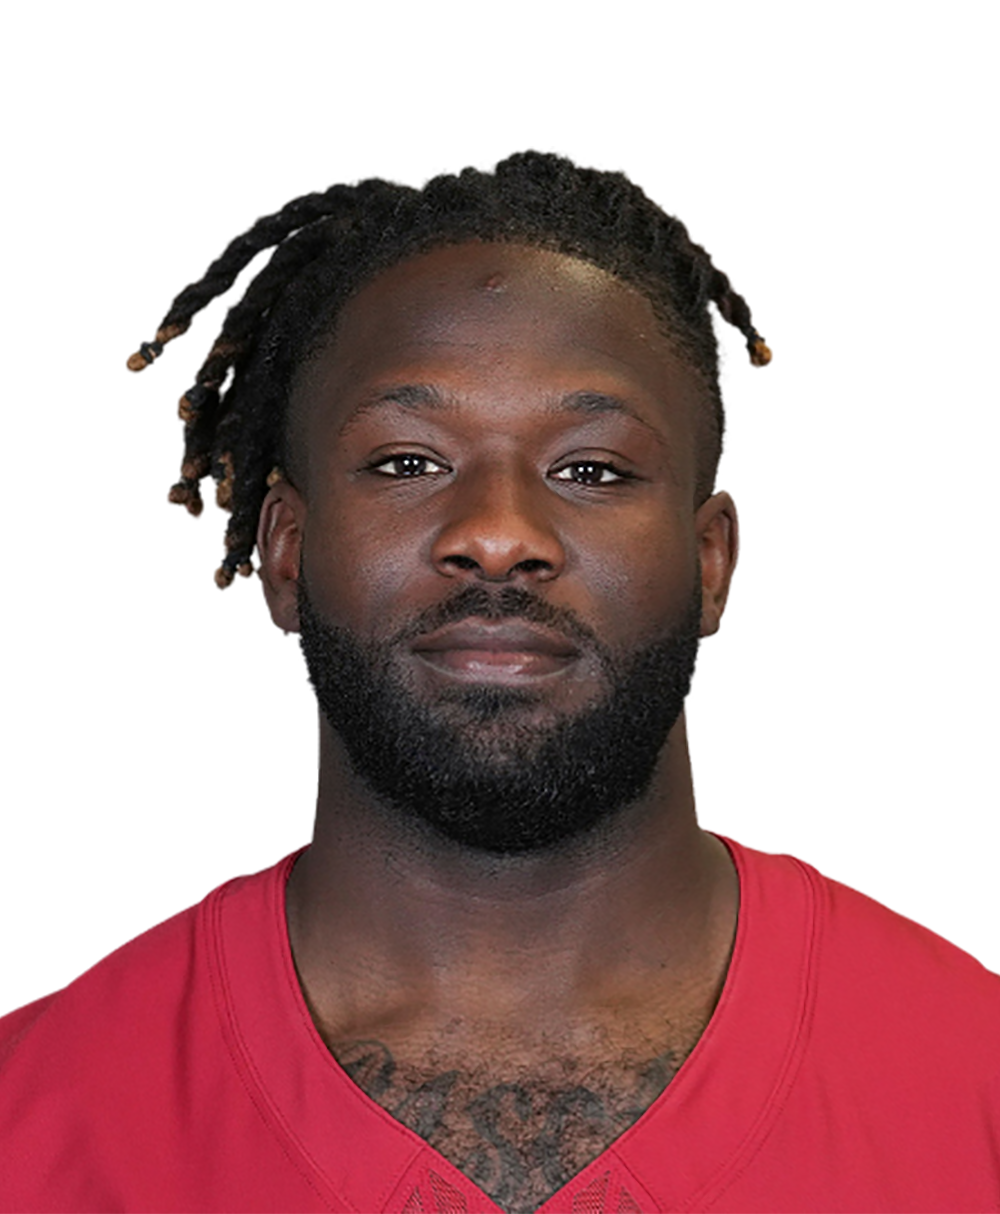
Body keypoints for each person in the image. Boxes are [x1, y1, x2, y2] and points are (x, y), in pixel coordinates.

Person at [1, 149, 997, 1213]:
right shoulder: (33, 1110)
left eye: (591, 469)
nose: (495, 533)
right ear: (285, 548)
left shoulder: (973, 1078)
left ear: (710, 563)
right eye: (406, 461)